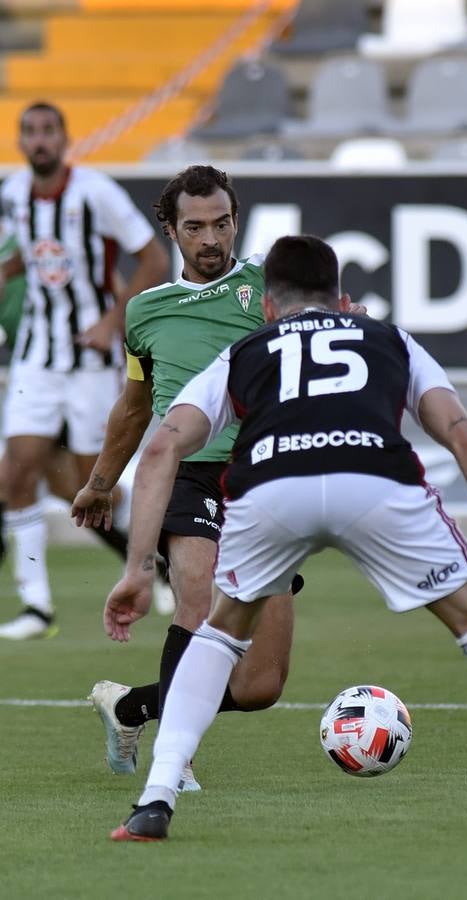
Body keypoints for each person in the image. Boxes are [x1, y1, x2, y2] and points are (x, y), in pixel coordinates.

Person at [103, 234, 467, 843]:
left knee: (219, 635)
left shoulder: (244, 352)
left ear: (268, 307)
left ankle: (154, 802)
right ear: (343, 300)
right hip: (374, 481)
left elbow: (163, 445)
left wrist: (139, 566)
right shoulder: (391, 340)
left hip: (272, 485)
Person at [72, 166, 307, 789]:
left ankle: (131, 708)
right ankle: (176, 765)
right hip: (191, 472)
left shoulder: (268, 285)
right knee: (198, 596)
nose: (211, 239)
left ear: (237, 221)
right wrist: (101, 480)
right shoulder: (145, 312)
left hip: (266, 478)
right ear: (171, 230)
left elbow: (325, 328)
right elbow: (134, 405)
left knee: (259, 686)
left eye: (222, 224)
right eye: (195, 227)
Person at [0, 166, 173, 626]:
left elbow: (102, 279)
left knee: (83, 486)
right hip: (37, 375)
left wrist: (115, 335)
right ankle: (19, 597)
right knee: (21, 476)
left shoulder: (33, 229)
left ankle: (157, 560)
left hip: (85, 369)